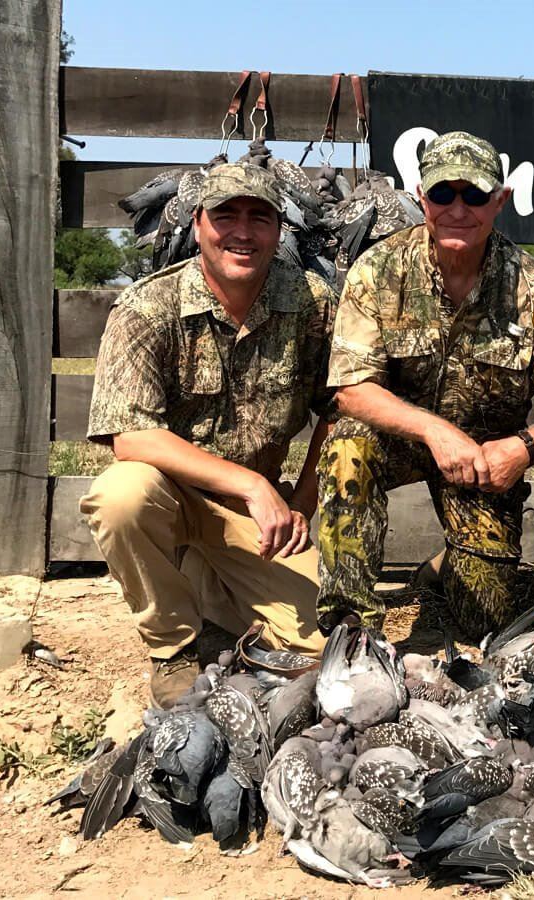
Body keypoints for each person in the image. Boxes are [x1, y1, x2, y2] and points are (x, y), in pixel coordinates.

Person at [81, 163, 335, 708]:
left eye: (259, 218)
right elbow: (130, 436)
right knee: (120, 494)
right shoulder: (149, 305)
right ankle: (172, 648)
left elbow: (339, 410)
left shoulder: (312, 301)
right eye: (225, 216)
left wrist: (301, 503)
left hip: (252, 517)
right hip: (170, 496)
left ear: (279, 229)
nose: (242, 232)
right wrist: (251, 484)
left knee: (319, 647)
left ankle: (210, 588)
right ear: (198, 224)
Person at [314, 131, 534, 641]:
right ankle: (351, 626)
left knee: (486, 624)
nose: (458, 209)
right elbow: (351, 388)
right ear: (420, 197)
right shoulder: (377, 270)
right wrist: (434, 431)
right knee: (347, 445)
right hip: (398, 441)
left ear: (500, 200)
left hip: (483, 464)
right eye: (442, 193)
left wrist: (523, 449)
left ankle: (443, 567)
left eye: (474, 194)